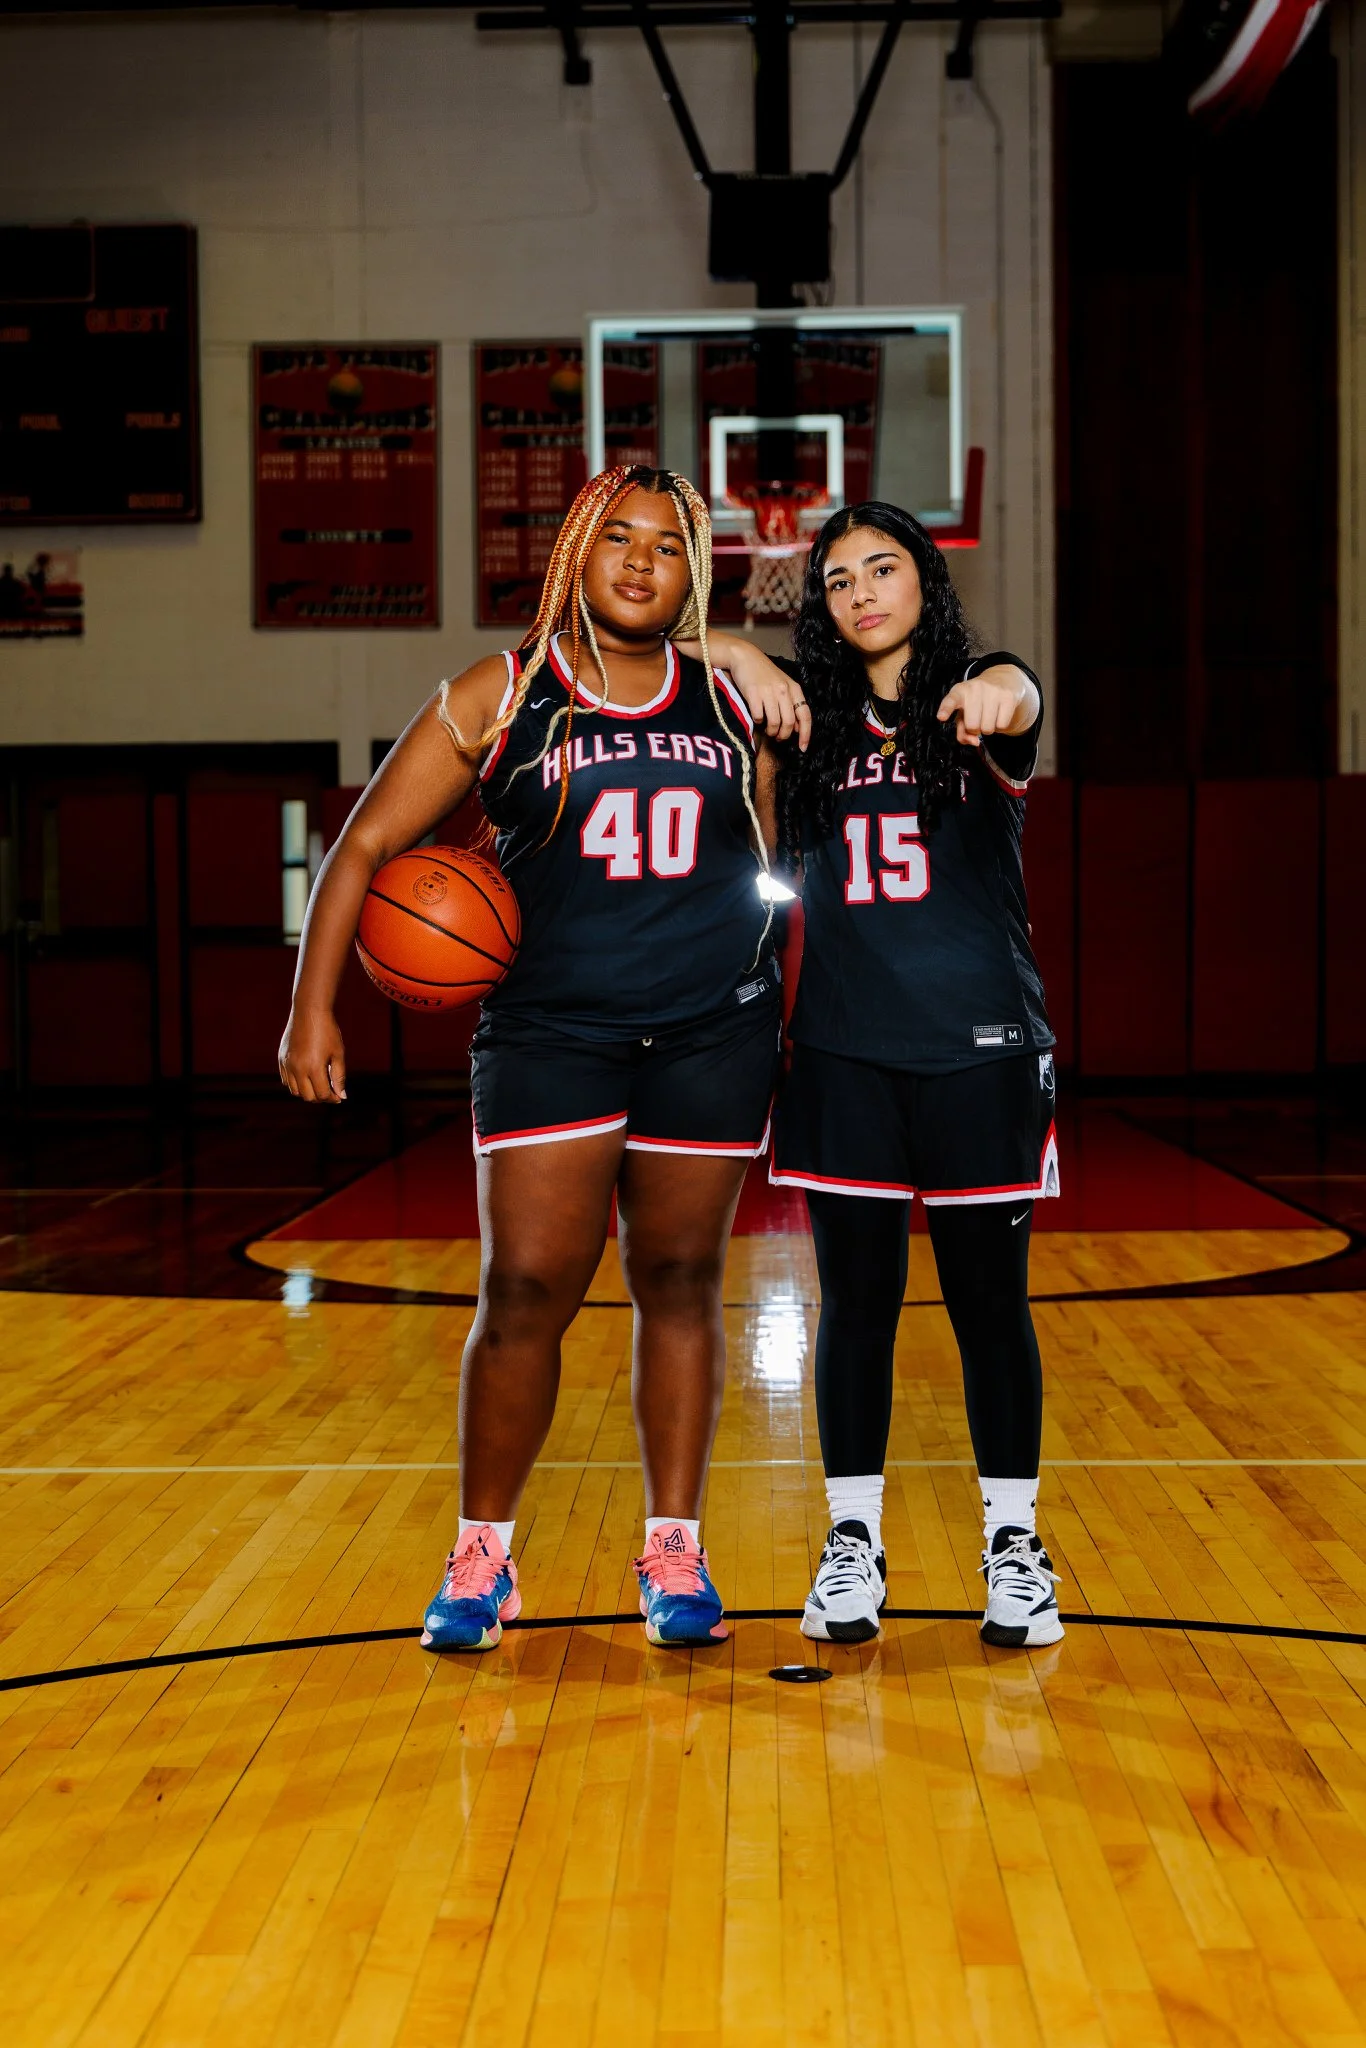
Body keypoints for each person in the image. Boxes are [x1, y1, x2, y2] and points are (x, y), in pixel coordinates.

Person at [279, 465, 807, 1652]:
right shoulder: (505, 691)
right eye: (615, 537)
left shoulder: (732, 702)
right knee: (524, 1290)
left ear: (694, 571)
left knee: (678, 1282)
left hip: (711, 1030)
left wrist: (738, 655)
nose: (637, 561)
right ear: (575, 547)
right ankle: (482, 1557)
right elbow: (362, 842)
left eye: (667, 546)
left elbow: (777, 864)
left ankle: (674, 1550)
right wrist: (310, 1009)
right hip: (550, 1034)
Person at [769, 500, 1063, 1650]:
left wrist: (1006, 685)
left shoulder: (974, 701)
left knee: (992, 1305)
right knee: (858, 1308)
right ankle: (852, 1544)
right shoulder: (808, 728)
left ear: (923, 580)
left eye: (880, 568)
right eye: (836, 581)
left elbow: (1015, 690)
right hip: (842, 1053)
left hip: (979, 1050)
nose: (859, 593)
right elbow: (696, 654)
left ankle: (1013, 1547)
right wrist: (743, 649)